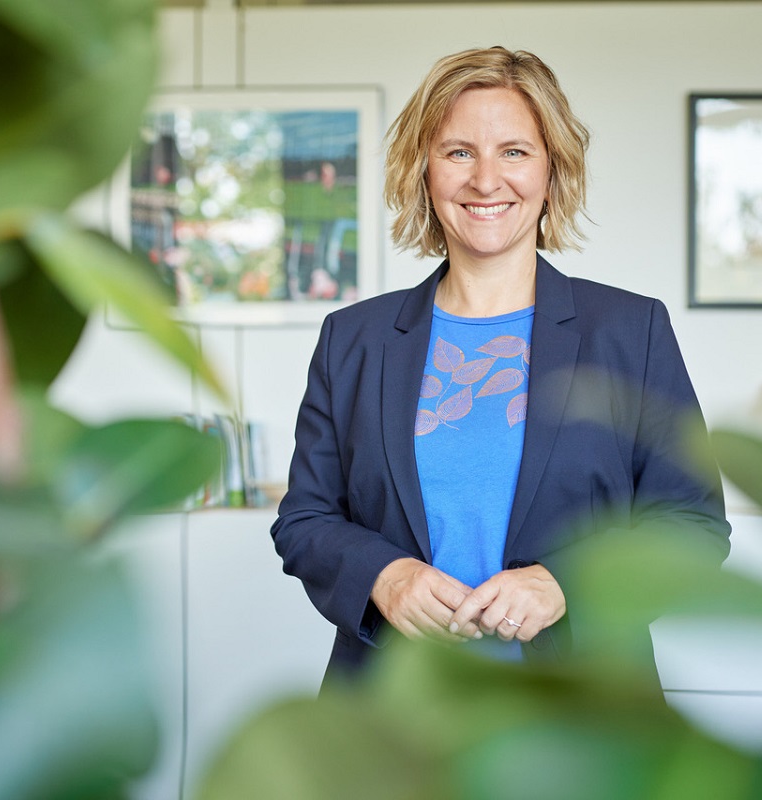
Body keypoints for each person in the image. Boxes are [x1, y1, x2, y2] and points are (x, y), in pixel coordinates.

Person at [271, 46, 730, 686]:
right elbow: (305, 519)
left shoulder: (630, 331)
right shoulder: (353, 337)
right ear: (423, 172)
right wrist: (385, 574)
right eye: (459, 152)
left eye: (514, 152)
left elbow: (692, 525)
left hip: (581, 719)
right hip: (394, 716)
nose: (486, 180)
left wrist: (563, 585)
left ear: (552, 171)